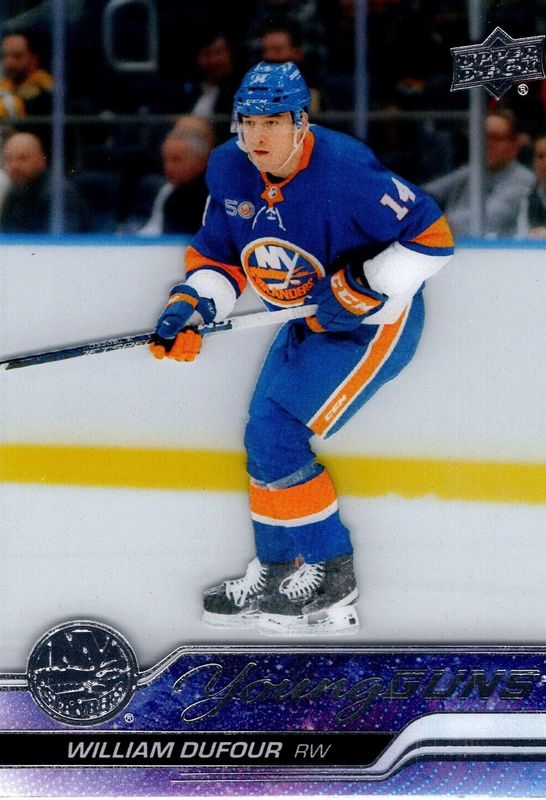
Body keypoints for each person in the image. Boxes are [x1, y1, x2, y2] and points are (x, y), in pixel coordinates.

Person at [149, 62, 454, 636]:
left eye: (272, 122)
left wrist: (366, 284)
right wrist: (192, 306)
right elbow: (219, 257)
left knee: (276, 434)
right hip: (306, 317)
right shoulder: (229, 168)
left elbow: (433, 237)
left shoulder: (344, 168)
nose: (258, 136)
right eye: (248, 122)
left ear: (300, 122)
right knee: (262, 434)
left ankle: (332, 578)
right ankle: (277, 572)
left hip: (374, 325)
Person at [422, 110, 535, 237]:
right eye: (483, 137)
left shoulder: (523, 180)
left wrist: (425, 222)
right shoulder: (470, 171)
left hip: (491, 247)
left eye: (496, 138)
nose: (487, 144)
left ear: (514, 146)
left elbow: (486, 219)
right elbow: (427, 192)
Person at [0, 131, 90, 233]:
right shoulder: (17, 190)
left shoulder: (58, 194)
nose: (14, 166)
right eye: (9, 160)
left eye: (23, 159)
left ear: (41, 160)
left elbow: (60, 240)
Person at [137, 117, 214, 236]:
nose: (168, 167)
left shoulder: (214, 195)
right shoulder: (169, 191)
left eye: (176, 160)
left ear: (201, 159)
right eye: (165, 160)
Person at [0, 31, 53, 117]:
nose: (8, 63)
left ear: (34, 59)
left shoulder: (45, 87)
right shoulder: (6, 84)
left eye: (17, 56)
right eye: (4, 56)